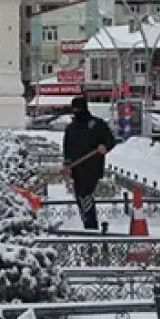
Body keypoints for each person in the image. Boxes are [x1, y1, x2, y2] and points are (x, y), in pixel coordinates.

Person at [61, 96, 117, 230]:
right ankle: (87, 222)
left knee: (85, 194)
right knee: (79, 196)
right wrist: (67, 164)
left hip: (93, 166)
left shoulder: (97, 124)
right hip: (76, 168)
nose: (76, 112)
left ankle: (91, 225)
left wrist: (105, 146)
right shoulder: (71, 128)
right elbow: (67, 148)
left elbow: (110, 140)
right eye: (74, 109)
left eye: (79, 109)